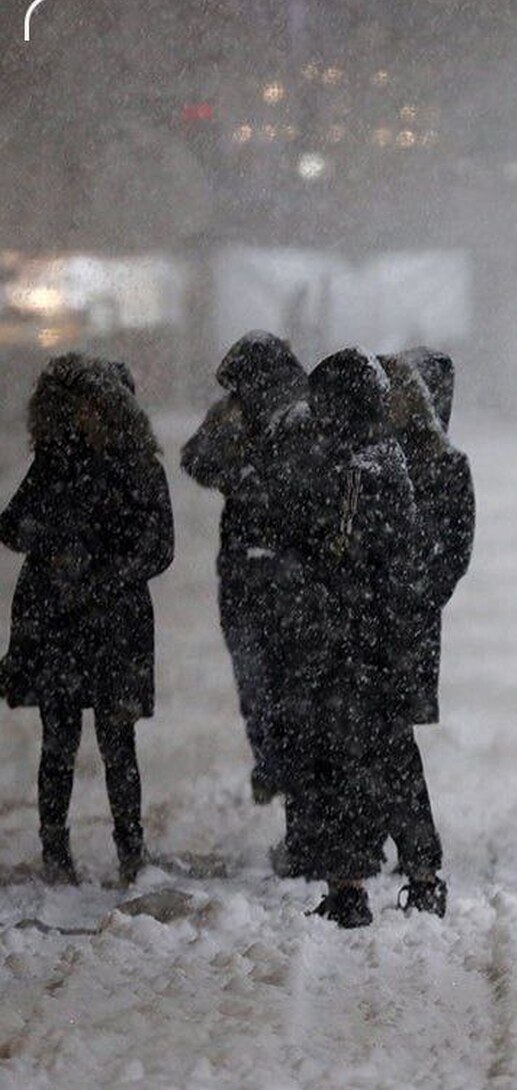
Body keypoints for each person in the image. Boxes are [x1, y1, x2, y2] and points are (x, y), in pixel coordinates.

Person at [0, 354, 174, 885]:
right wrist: (58, 545)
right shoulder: (55, 461)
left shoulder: (138, 465)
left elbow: (160, 547)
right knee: (60, 740)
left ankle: (130, 849)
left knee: (116, 741)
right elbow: (12, 527)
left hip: (110, 623)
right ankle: (57, 850)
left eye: (91, 408)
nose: (84, 419)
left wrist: (97, 570)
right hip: (61, 622)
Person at [281, 348, 417, 928]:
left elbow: (335, 552)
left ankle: (349, 885)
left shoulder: (354, 469)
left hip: (344, 643)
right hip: (376, 642)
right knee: (373, 760)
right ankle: (385, 872)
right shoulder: (389, 462)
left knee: (337, 766)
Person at [180, 332, 309, 814]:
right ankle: (275, 765)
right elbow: (196, 460)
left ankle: (279, 771)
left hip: (274, 573)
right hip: (253, 572)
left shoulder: (300, 421)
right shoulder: (238, 418)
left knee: (271, 687)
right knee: (263, 685)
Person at [378, 353, 475, 916]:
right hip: (386, 622)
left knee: (388, 744)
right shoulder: (378, 459)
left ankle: (417, 863)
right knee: (382, 743)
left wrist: (408, 596)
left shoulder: (438, 464)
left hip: (400, 626)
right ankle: (405, 858)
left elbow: (449, 554)